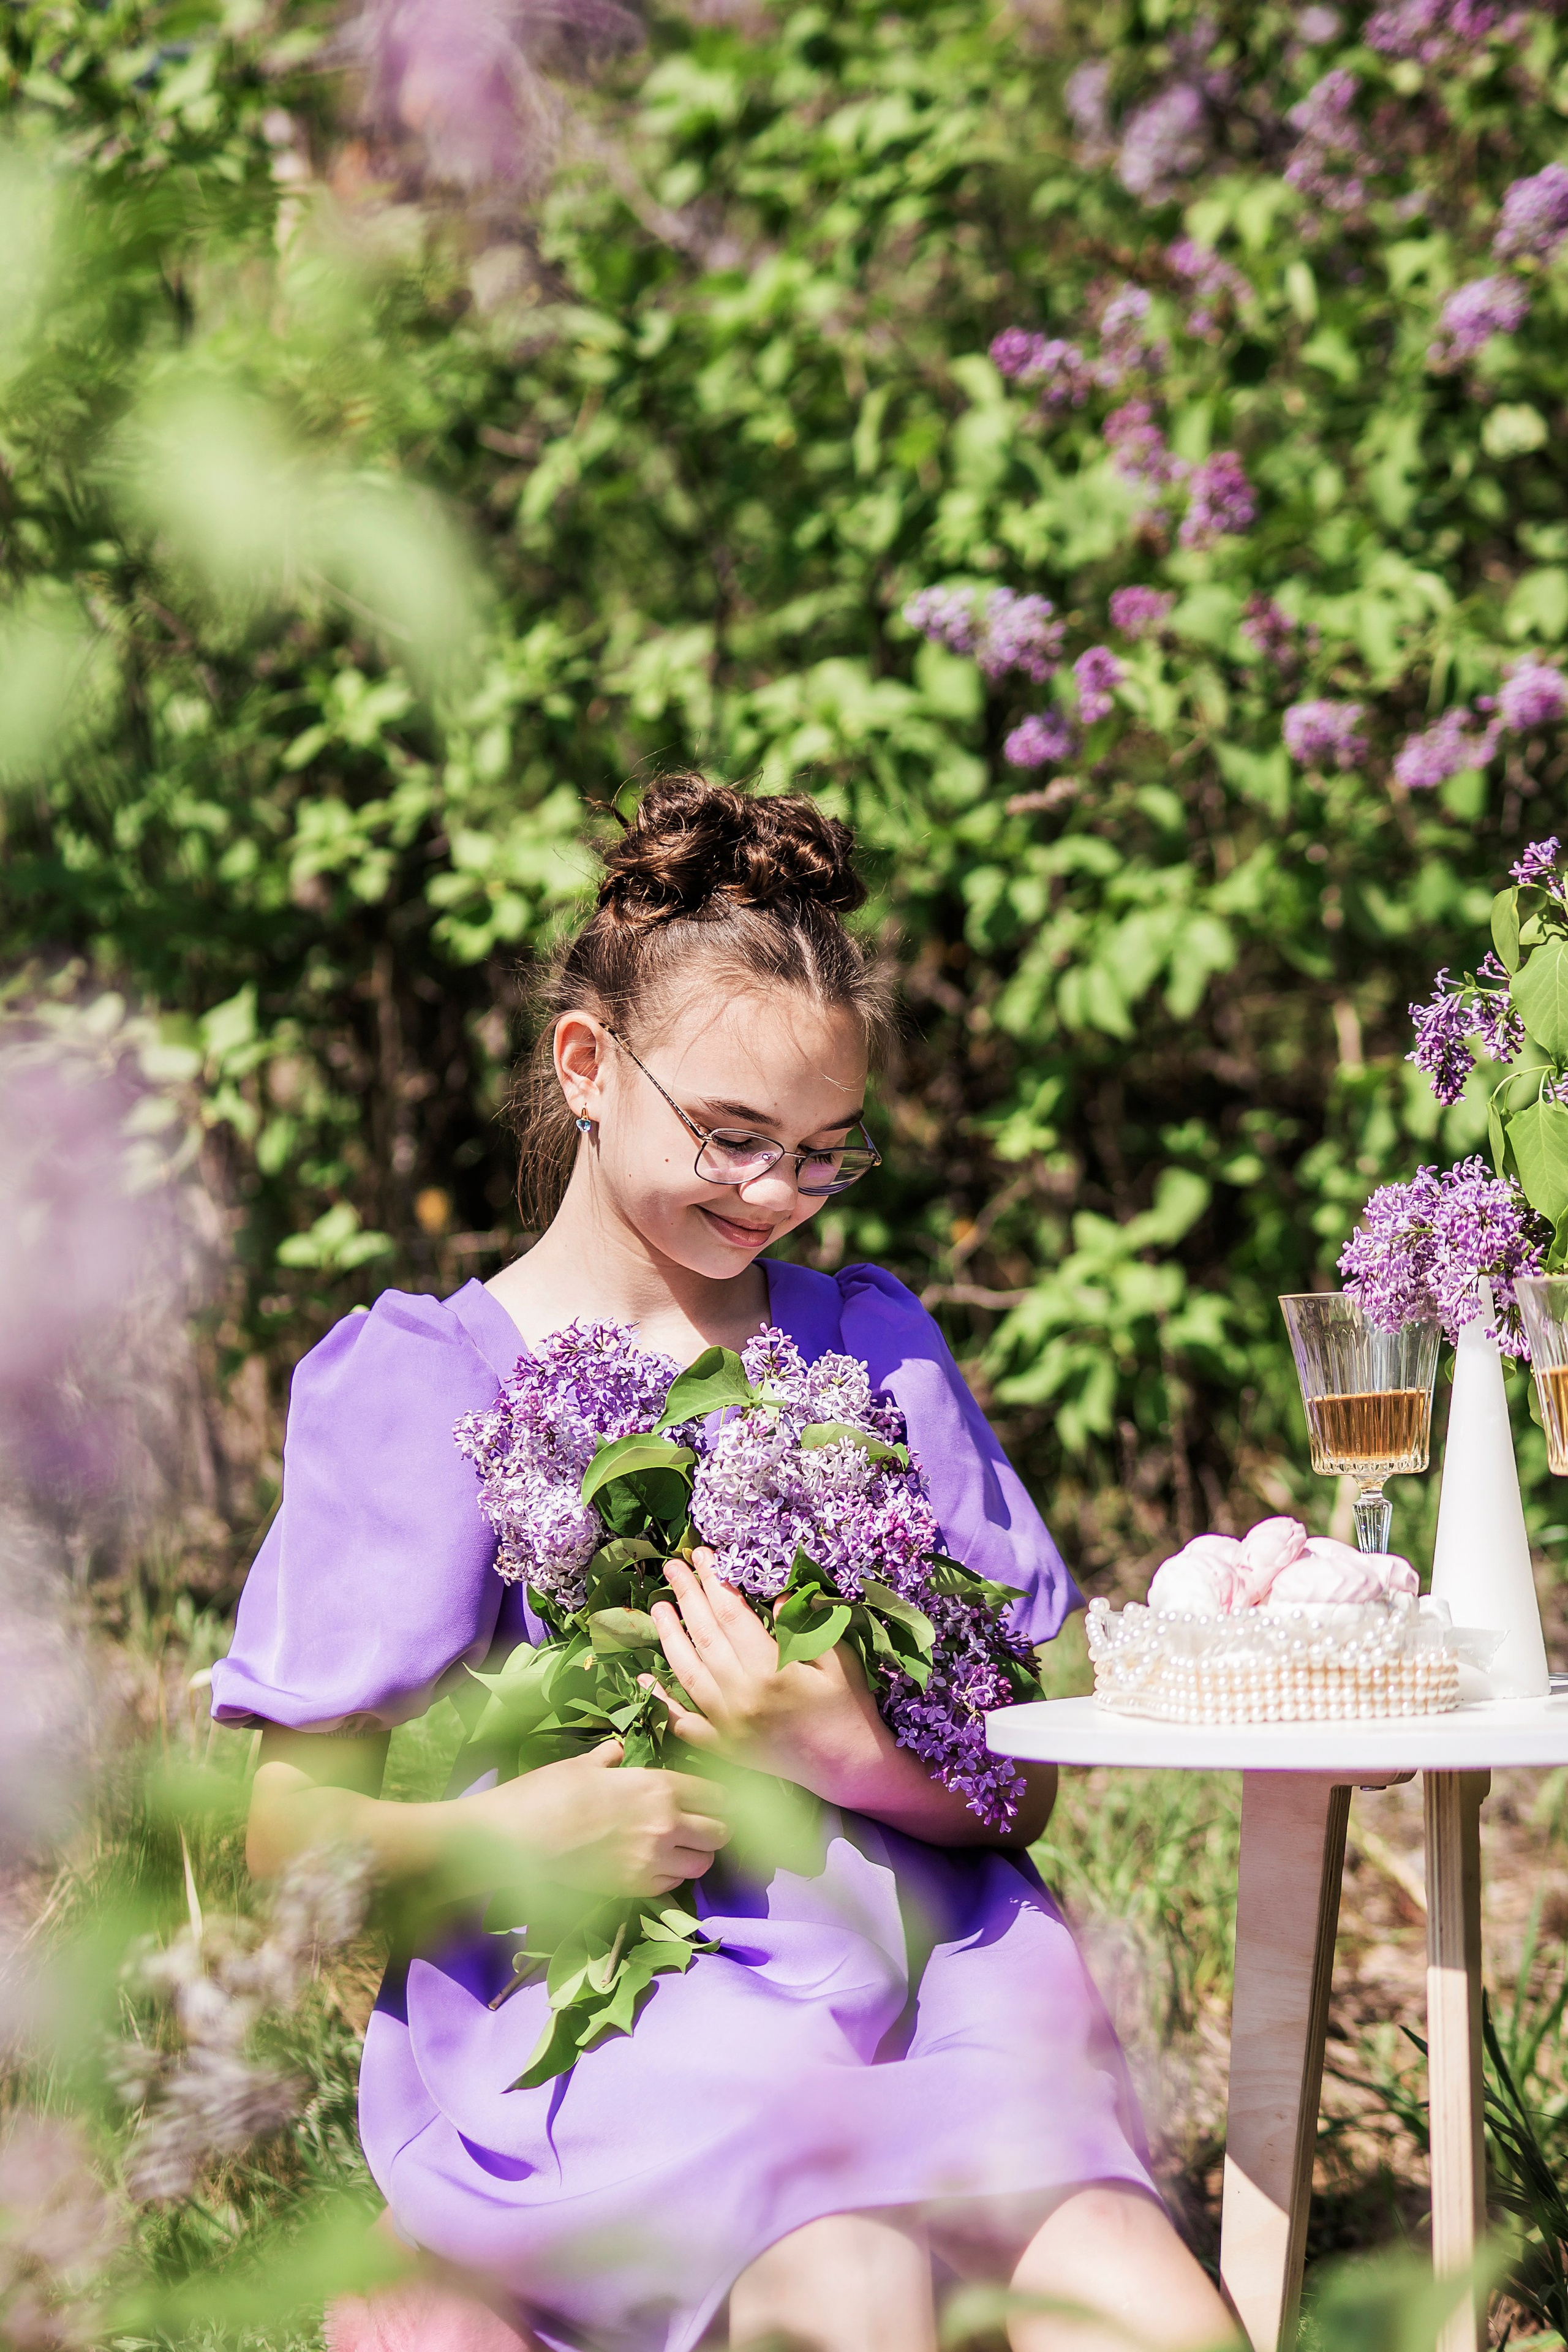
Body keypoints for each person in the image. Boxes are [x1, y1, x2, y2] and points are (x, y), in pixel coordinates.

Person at [211, 777, 1235, 2352]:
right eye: (733, 1136)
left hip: (950, 1991)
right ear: (586, 1069)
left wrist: (843, 1749)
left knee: (1147, 2306)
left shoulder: (868, 1351)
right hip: (641, 2024)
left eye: (826, 1154)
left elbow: (1022, 1779)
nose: (774, 1196)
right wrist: (527, 1837)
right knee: (849, 2280)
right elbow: (279, 1826)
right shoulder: (435, 1385)